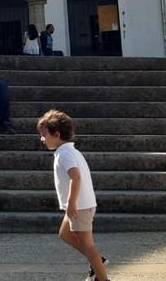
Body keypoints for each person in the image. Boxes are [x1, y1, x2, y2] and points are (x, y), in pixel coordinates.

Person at [38, 109, 109, 281]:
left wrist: (71, 203)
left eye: (44, 134)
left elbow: (75, 177)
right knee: (65, 234)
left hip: (79, 207)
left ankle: (102, 277)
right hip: (81, 205)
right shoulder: (69, 151)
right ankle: (98, 261)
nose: (42, 139)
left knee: (88, 245)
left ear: (56, 134)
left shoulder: (65, 154)